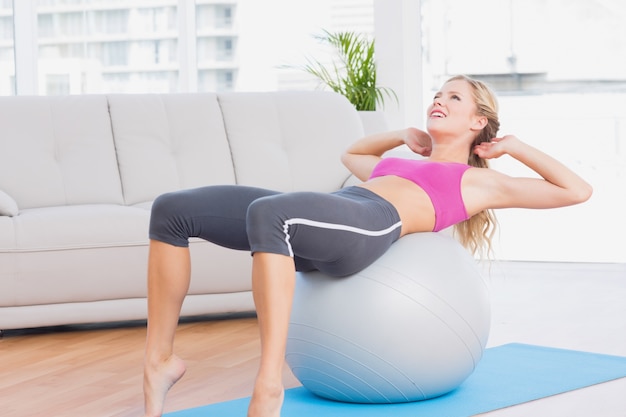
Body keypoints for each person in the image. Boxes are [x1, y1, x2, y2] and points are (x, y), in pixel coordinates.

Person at [141, 75, 592, 417]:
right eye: (437, 93)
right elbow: (352, 155)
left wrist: (515, 147)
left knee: (269, 211)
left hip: (371, 227)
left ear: (479, 122)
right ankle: (160, 361)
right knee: (171, 210)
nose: (439, 100)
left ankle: (269, 383)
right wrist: (401, 136)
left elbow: (576, 191)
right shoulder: (395, 163)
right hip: (339, 212)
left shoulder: (479, 182)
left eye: (454, 98)